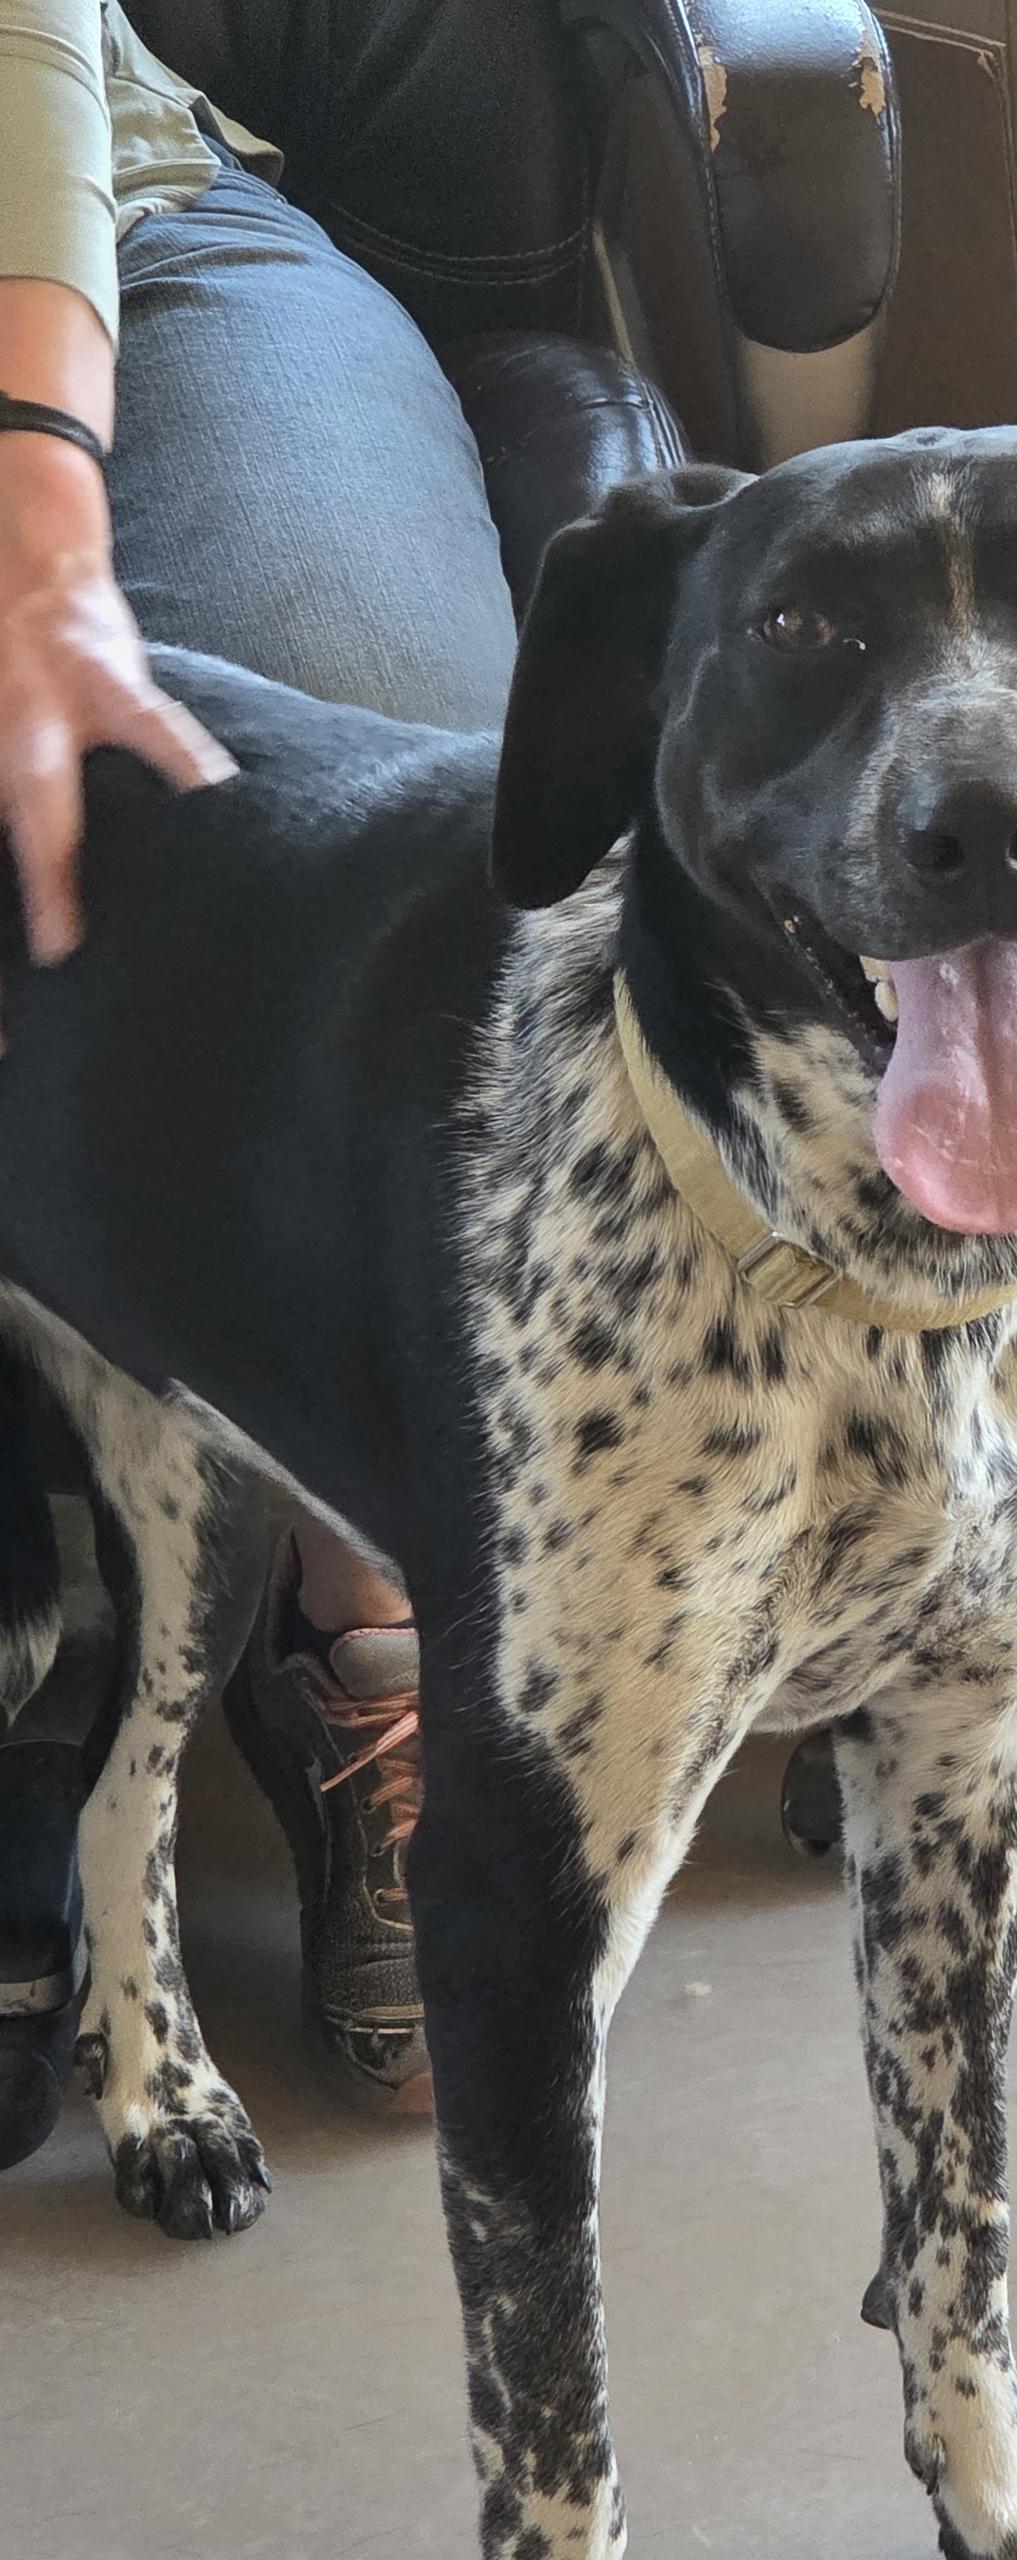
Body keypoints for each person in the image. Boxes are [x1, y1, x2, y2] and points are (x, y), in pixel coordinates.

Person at [0, 0, 525, 2133]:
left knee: (372, 757)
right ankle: (59, 1677)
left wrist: (44, 526)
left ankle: (364, 1609)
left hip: (102, 223)